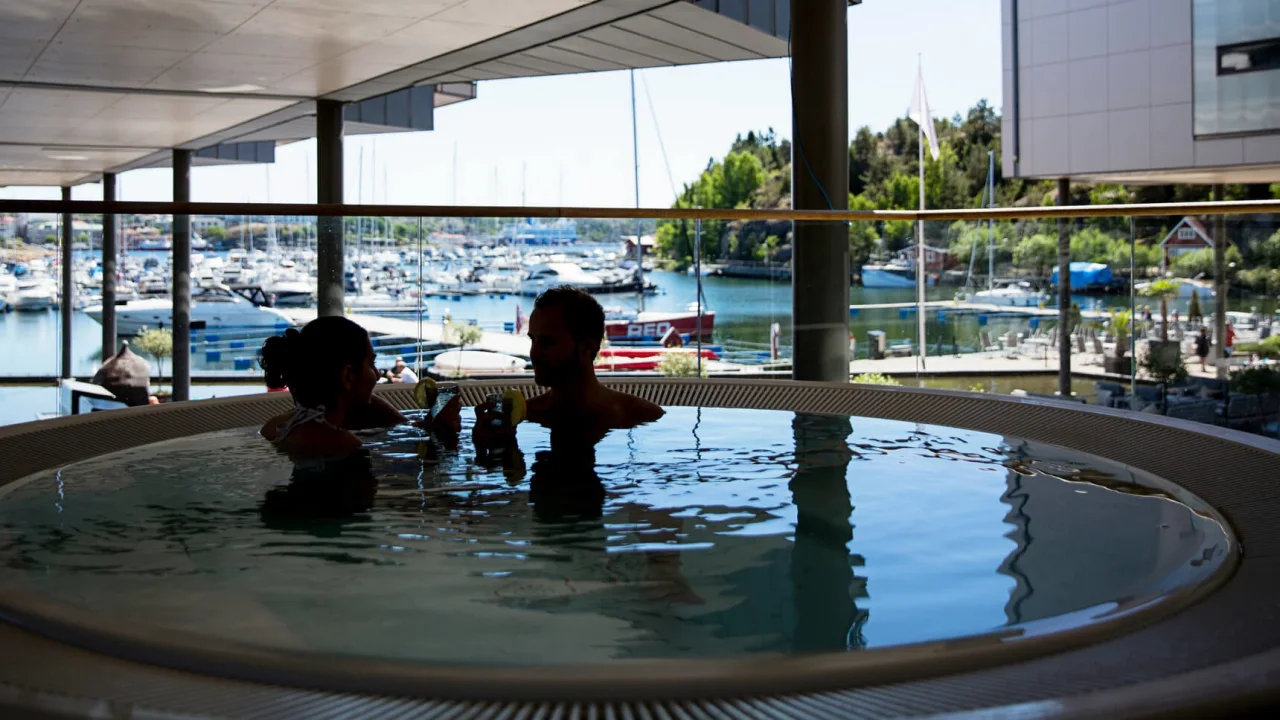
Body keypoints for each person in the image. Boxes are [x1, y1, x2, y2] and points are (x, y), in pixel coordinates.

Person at [479, 286, 663, 440]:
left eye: (548, 342)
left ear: (587, 348)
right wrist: (486, 446)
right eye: (533, 340)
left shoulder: (642, 415)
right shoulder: (523, 416)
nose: (534, 353)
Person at [259, 317, 459, 458]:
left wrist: (421, 426)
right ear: (348, 375)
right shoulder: (344, 445)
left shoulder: (277, 428)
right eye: (371, 364)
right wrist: (444, 441)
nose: (378, 374)